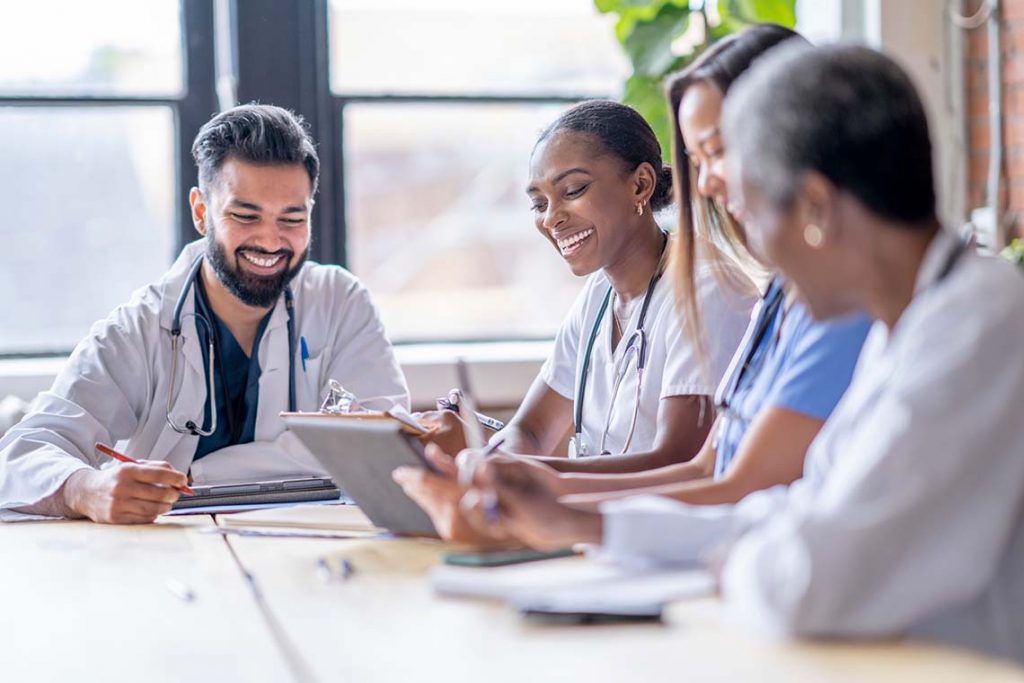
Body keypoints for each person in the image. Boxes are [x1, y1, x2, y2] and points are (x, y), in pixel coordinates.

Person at [463, 45, 1024, 663]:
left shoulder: (976, 328)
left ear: (815, 209)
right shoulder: (912, 321)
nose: (762, 265)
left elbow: (808, 580)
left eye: (753, 213)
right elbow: (791, 511)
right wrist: (581, 523)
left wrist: (734, 558)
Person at [398, 25, 871, 540]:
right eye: (538, 204)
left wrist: (555, 502)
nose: (708, 183)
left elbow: (710, 472)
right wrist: (503, 473)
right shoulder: (783, 300)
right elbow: (706, 470)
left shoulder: (765, 297)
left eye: (573, 190)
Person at [0, 104, 408, 524]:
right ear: (201, 211)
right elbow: (24, 451)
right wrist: (85, 490)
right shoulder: (139, 328)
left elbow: (384, 454)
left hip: (308, 553)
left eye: (292, 218)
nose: (270, 240)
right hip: (165, 558)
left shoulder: (341, 303)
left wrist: (195, 475)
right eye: (245, 216)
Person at [397, 100, 754, 540]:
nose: (552, 218)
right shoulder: (599, 297)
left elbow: (679, 460)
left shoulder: (707, 288)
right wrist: (495, 461)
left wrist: (523, 474)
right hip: (595, 530)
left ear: (640, 184)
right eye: (539, 203)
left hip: (664, 537)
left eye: (572, 191)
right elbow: (530, 429)